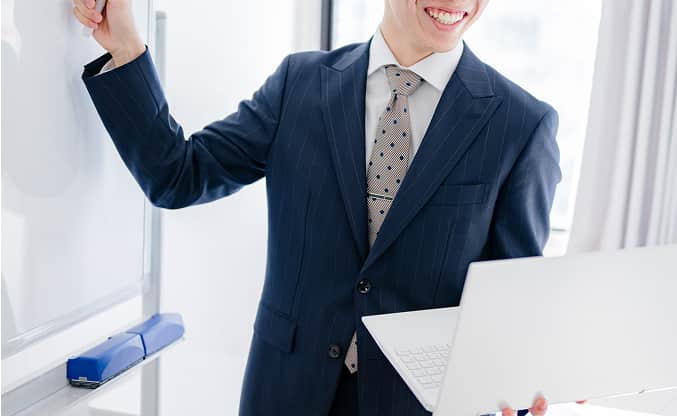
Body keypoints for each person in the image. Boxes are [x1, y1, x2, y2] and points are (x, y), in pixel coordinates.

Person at [72, 0, 569, 414]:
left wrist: (521, 390)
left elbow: (508, 307)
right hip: (285, 394)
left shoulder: (521, 125)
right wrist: (126, 49)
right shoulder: (300, 84)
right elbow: (178, 176)